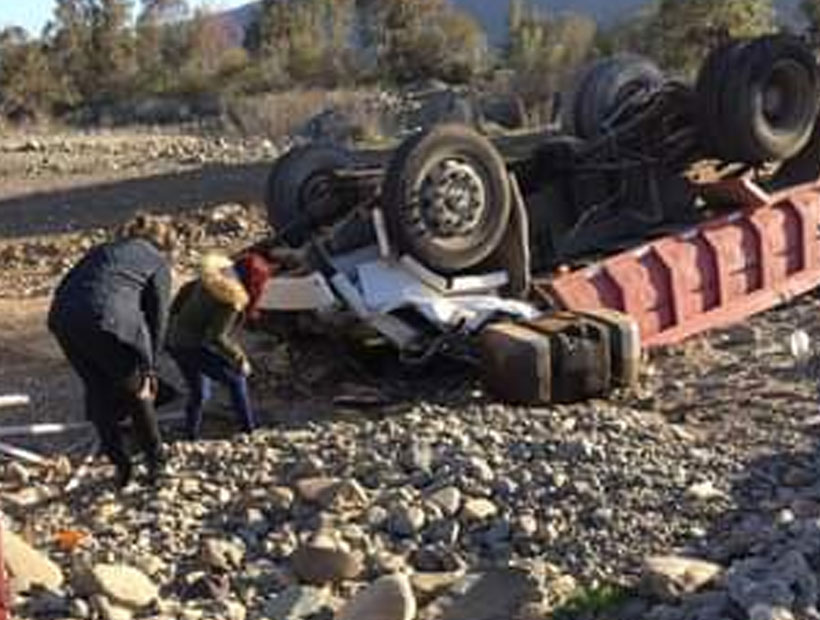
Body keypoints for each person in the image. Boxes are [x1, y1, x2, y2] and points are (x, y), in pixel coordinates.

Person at [48, 214, 176, 488]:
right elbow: (159, 316)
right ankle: (157, 463)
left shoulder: (104, 250)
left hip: (62, 318)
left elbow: (69, 286)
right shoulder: (155, 259)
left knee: (98, 389)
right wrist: (150, 366)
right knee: (138, 389)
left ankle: (121, 466)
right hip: (103, 318)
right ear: (163, 243)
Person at [166, 250, 272, 440]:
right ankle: (249, 430)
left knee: (200, 393)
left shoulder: (209, 278)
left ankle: (191, 435)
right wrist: (240, 358)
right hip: (190, 345)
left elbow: (179, 299)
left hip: (174, 340)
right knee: (237, 379)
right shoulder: (231, 297)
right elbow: (217, 336)